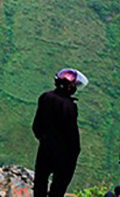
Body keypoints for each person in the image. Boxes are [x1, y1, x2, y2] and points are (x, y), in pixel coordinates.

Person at [31, 68, 87, 197]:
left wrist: (44, 139)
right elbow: (72, 134)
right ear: (70, 87)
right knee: (59, 183)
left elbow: (37, 125)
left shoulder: (45, 97)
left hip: (45, 147)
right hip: (63, 153)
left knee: (41, 179)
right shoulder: (69, 106)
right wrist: (74, 152)